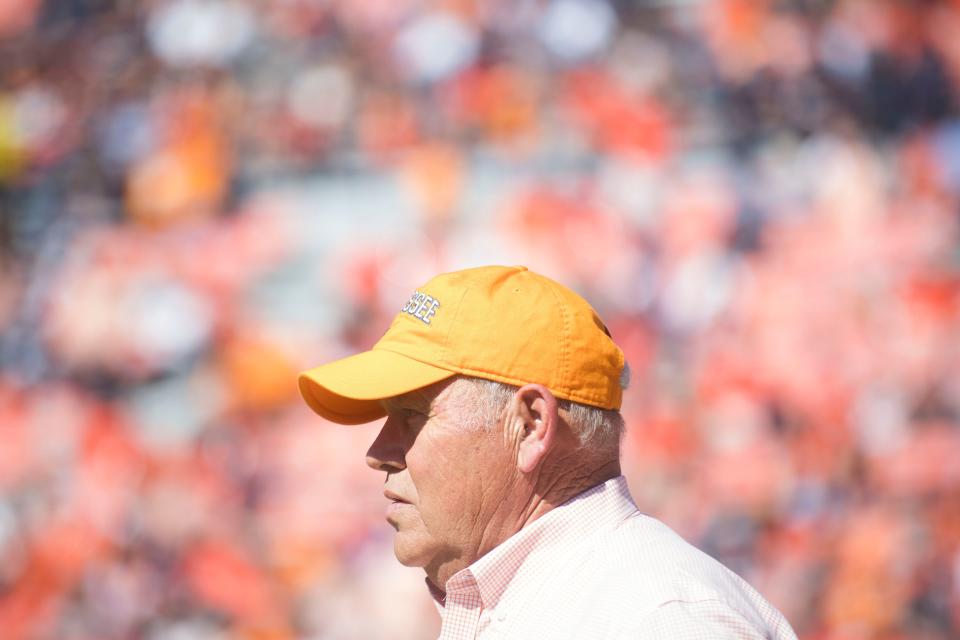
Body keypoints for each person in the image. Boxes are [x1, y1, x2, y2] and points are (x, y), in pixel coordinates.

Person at [298, 265, 798, 639]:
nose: (379, 451)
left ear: (532, 424)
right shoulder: (564, 603)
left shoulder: (654, 619)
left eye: (413, 416)